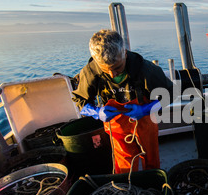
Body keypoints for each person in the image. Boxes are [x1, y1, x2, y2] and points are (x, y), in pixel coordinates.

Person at [72, 29, 173, 173]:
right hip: (116, 126)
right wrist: (96, 112)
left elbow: (170, 94)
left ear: (124, 53)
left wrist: (145, 109)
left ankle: (152, 182)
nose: (113, 74)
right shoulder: (90, 73)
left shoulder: (146, 70)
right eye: (106, 70)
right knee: (123, 164)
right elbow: (79, 100)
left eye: (118, 67)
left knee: (151, 159)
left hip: (145, 122)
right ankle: (126, 189)